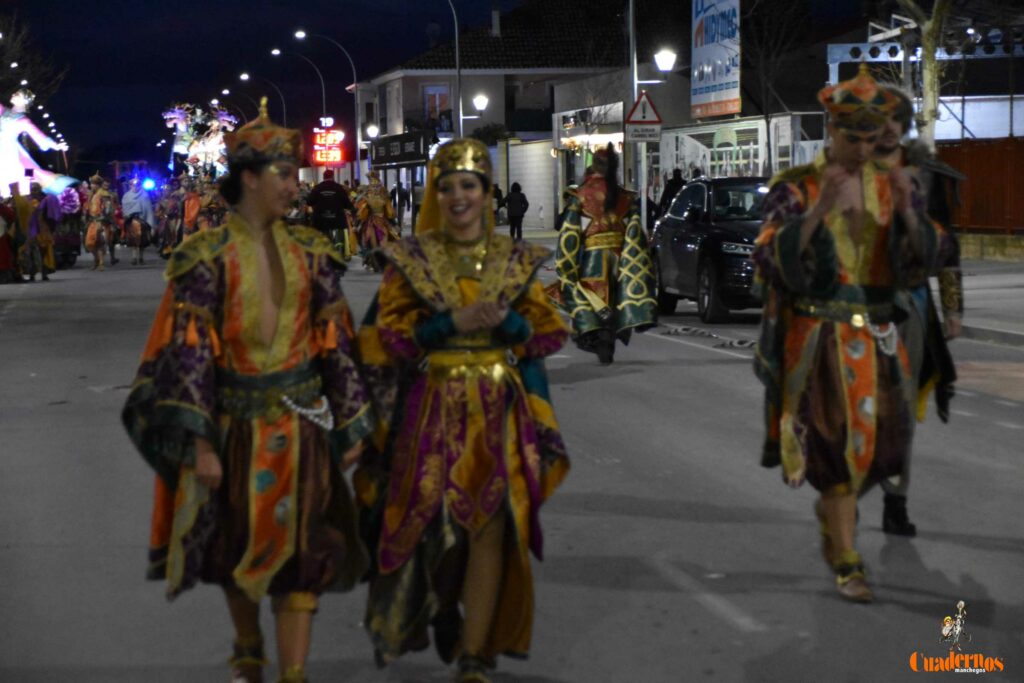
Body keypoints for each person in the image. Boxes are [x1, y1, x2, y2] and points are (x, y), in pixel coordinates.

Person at [121, 99, 374, 683]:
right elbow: (189, 352)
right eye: (284, 175)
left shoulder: (314, 254)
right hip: (235, 429)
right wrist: (201, 443)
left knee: (304, 555)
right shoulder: (205, 259)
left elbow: (336, 343)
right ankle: (247, 647)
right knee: (238, 552)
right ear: (251, 179)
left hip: (304, 430)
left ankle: (293, 673)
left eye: (295, 173)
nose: (295, 185)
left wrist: (355, 424)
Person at [355, 138, 570, 683]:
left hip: (500, 408)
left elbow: (542, 339)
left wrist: (509, 328)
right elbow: (393, 340)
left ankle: (476, 656)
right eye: (446, 186)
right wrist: (452, 322)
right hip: (433, 406)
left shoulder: (516, 261)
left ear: (487, 194)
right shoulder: (412, 262)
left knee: (491, 526)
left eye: (469, 186)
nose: (457, 196)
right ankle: (443, 604)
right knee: (435, 531)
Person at [752, 65, 943, 603]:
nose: (861, 147)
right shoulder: (796, 187)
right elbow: (767, 257)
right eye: (850, 136)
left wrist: (908, 215)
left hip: (881, 340)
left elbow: (925, 260)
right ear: (829, 131)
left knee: (884, 451)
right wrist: (817, 213)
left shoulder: (894, 185)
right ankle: (847, 557)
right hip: (821, 343)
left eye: (868, 137)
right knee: (835, 450)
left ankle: (839, 517)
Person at [871, 85, 962, 537]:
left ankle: (894, 499)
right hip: (854, 307)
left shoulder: (924, 174)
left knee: (899, 409)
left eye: (894, 119)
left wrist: (952, 307)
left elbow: (948, 244)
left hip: (907, 303)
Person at [553, 144, 657, 364]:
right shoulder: (624, 196)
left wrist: (566, 263)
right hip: (620, 256)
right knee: (618, 298)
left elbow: (570, 232)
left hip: (593, 258)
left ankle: (596, 337)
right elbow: (635, 230)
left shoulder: (581, 194)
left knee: (589, 298)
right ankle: (612, 337)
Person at [307, 169, 357, 260]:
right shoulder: (338, 188)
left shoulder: (317, 188)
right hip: (337, 218)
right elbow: (346, 203)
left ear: (323, 177)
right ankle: (340, 251)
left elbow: (309, 201)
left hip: (320, 219)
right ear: (333, 176)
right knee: (340, 232)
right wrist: (352, 209)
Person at [354, 170, 399, 271]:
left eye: (376, 186)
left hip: (382, 220)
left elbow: (389, 211)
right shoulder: (367, 194)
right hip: (372, 220)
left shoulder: (383, 194)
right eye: (373, 186)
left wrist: (394, 223)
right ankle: (370, 259)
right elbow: (362, 210)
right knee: (366, 237)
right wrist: (357, 223)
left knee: (389, 238)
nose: (375, 189)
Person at [121, 178, 156, 265]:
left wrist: (148, 221)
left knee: (142, 239)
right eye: (133, 185)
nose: (135, 187)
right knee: (132, 238)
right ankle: (133, 257)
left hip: (142, 220)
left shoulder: (145, 196)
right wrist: (128, 214)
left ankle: (141, 257)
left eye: (137, 185)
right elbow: (125, 208)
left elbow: (148, 209)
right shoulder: (126, 196)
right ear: (130, 186)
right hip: (131, 220)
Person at [84, 174, 114, 270]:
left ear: (98, 185)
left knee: (100, 243)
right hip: (92, 221)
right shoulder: (91, 195)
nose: (92, 186)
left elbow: (108, 208)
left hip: (101, 221)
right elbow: (87, 207)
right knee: (90, 243)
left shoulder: (104, 194)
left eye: (94, 184)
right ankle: (96, 259)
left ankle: (101, 262)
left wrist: (104, 218)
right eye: (91, 184)